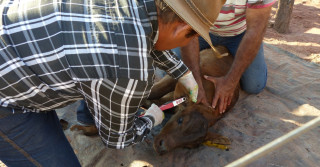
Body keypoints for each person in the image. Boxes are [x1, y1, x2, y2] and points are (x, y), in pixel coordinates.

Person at [0, 0, 225, 166]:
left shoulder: (135, 6)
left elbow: (147, 38)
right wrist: (150, 118)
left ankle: (82, 117)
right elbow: (117, 138)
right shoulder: (129, 72)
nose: (193, 41)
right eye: (193, 36)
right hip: (8, 101)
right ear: (181, 28)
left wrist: (183, 72)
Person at [175, 0, 276, 114]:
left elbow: (256, 29)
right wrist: (195, 82)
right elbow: (188, 23)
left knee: (254, 85)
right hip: (201, 29)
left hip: (239, 34)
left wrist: (230, 81)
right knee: (174, 70)